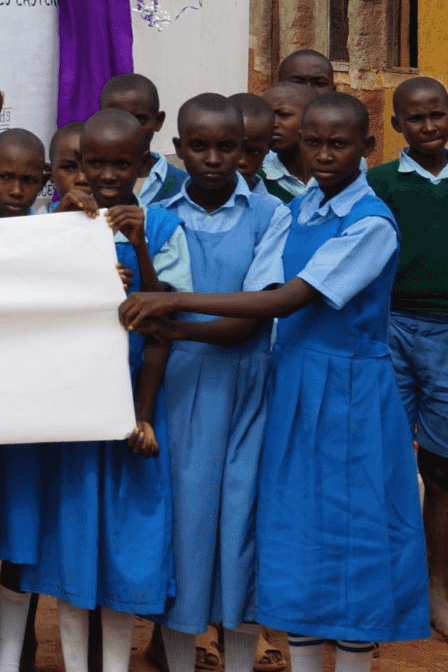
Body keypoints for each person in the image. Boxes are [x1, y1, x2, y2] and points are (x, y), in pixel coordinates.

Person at [123, 92, 434, 666]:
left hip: (347, 397)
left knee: (353, 538)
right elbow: (262, 293)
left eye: (338, 144)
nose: (322, 154)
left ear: (367, 148)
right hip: (292, 385)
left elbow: (288, 299)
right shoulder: (305, 205)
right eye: (313, 142)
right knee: (296, 540)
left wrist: (173, 308)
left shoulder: (371, 224)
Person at [131, 95, 286, 672]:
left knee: (242, 528)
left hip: (246, 393)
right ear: (178, 150)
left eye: (230, 147)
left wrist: (173, 322)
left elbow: (251, 320)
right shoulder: (159, 215)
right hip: (176, 388)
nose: (215, 158)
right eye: (200, 146)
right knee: (185, 529)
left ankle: (241, 658)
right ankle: (177, 658)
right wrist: (165, 324)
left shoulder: (271, 215)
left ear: (247, 149)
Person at [30, 110, 182, 672]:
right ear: (76, 166)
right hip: (74, 409)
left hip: (134, 409)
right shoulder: (55, 219)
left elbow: (165, 317)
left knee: (127, 544)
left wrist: (137, 247)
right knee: (74, 541)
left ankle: (115, 662)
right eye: (95, 163)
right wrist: (63, 236)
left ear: (143, 165)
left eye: (122, 163)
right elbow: (34, 304)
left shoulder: (163, 225)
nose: (108, 174)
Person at [370, 75, 448, 639]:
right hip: (392, 327)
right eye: (416, 119)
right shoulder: (379, 183)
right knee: (386, 461)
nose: (428, 127)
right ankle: (386, 589)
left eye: (437, 115)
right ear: (396, 125)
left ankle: (436, 584)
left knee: (442, 467)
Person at [0, 130, 48, 672]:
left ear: (44, 180)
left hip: (34, 411)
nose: (16, 188)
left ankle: (13, 655)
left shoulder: (61, 233)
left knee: (24, 536)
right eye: (5, 177)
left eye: (28, 179)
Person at [99, 73, 186, 206]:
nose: (129, 129)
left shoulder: (184, 185)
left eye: (139, 119)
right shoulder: (89, 183)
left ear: (158, 121)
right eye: (117, 119)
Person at [261, 82, 316, 202]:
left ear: (312, 118)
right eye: (267, 116)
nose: (273, 123)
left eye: (284, 115)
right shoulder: (258, 178)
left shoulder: (336, 175)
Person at [228, 92, 276, 193]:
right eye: (231, 148)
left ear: (268, 148)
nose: (242, 161)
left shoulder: (273, 207)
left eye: (255, 152)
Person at [48, 123, 85, 208]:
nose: (81, 179)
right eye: (70, 168)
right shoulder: (39, 217)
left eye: (89, 167)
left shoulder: (115, 216)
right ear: (51, 173)